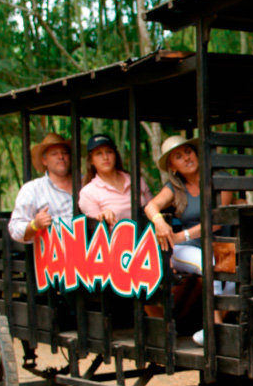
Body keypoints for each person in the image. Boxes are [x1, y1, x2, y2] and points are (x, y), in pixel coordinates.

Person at [144, 135, 233, 345]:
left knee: (232, 280)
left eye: (188, 152)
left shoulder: (220, 179)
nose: (186, 158)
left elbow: (216, 221)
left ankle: (213, 328)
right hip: (186, 248)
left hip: (218, 244)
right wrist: (159, 221)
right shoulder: (175, 187)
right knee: (209, 264)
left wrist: (181, 235)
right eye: (178, 156)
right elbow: (150, 206)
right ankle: (214, 328)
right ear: (173, 167)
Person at [8, 132, 74, 242]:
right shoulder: (32, 189)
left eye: (65, 153)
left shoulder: (86, 183)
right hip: (53, 251)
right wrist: (35, 224)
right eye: (54, 154)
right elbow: (15, 229)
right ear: (44, 161)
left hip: (91, 250)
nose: (61, 157)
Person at [79, 133, 152, 225]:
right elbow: (95, 229)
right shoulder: (88, 193)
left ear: (115, 155)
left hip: (146, 232)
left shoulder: (136, 180)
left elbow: (153, 208)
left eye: (109, 152)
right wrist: (102, 216)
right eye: (99, 153)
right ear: (91, 160)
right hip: (114, 234)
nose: (105, 157)